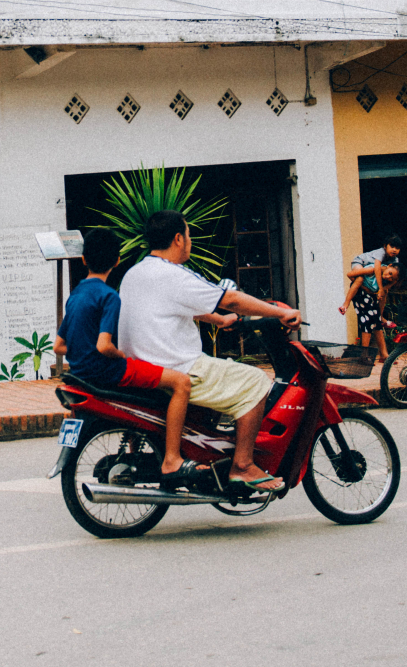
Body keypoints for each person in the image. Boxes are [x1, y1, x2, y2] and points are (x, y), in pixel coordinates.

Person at [118, 210, 301, 493]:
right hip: (179, 368)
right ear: (179, 238)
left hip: (144, 367)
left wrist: (218, 320)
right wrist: (280, 313)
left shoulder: (136, 272)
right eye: (189, 235)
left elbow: (175, 306)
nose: (190, 241)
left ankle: (209, 453)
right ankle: (242, 465)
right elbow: (231, 299)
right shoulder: (173, 274)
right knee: (255, 381)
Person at [52, 229, 205, 488]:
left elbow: (59, 346)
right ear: (118, 260)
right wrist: (119, 354)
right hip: (108, 371)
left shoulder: (76, 294)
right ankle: (172, 458)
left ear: (83, 260)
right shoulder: (109, 295)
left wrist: (85, 349)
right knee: (181, 383)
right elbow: (104, 345)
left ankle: (141, 449)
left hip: (81, 374)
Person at [339, 235, 400, 366]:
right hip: (360, 278)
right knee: (367, 322)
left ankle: (384, 354)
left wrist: (383, 288)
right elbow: (351, 275)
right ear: (385, 246)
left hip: (369, 292)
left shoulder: (392, 262)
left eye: (397, 248)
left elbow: (393, 279)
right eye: (392, 246)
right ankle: (364, 355)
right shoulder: (377, 261)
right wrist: (378, 288)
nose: (394, 250)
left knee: (376, 320)